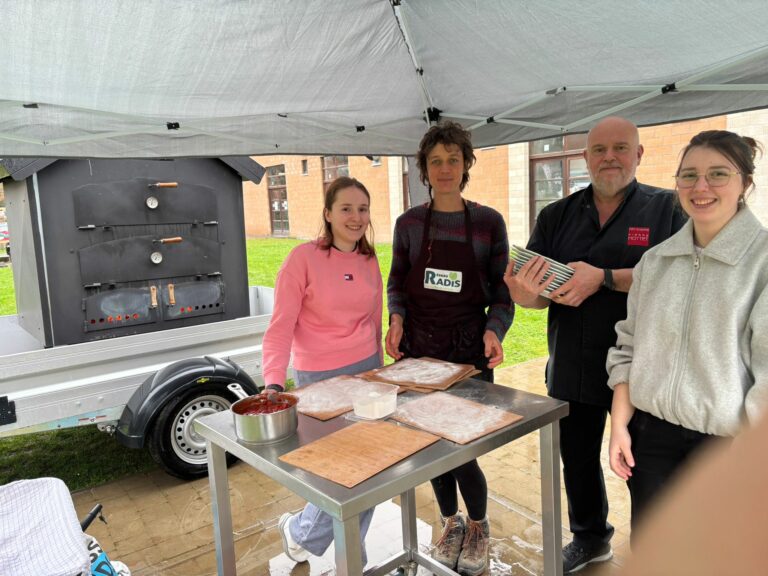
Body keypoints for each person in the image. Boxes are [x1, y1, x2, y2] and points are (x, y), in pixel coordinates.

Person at [503, 116, 686, 574]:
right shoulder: (556, 216)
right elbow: (536, 297)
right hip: (573, 364)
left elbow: (680, 278)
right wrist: (524, 293)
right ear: (585, 157)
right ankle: (590, 539)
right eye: (599, 150)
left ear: (638, 154)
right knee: (577, 460)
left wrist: (603, 278)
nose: (610, 158)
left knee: (647, 468)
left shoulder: (668, 210)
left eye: (620, 148)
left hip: (643, 369)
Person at [606, 130, 768, 534]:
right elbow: (628, 347)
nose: (701, 187)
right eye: (689, 175)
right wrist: (619, 425)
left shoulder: (761, 264)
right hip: (649, 439)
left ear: (745, 183)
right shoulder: (655, 262)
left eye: (718, 174)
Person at [386, 121, 513, 575]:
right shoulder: (408, 224)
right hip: (419, 353)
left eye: (453, 160)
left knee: (460, 447)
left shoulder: (488, 223)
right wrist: (396, 319)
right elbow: (396, 282)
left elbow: (503, 292)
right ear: (424, 168)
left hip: (467, 353)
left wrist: (495, 330)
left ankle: (478, 526)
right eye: (435, 161)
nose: (444, 169)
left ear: (465, 165)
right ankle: (450, 522)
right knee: (428, 443)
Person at [261, 176, 383, 566]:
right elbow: (280, 326)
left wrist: (381, 374)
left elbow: (375, 321)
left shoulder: (369, 259)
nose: (356, 217)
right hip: (319, 379)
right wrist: (273, 381)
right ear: (328, 214)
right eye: (346, 208)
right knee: (338, 472)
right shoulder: (302, 259)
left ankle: (328, 545)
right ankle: (323, 543)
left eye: (362, 209)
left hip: (365, 372)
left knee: (370, 467)